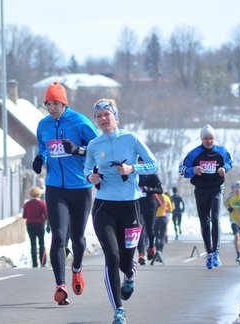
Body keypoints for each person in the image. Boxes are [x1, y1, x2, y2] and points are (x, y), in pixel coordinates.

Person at [84, 98, 159, 324]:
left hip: (130, 206)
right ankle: (118, 309)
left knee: (125, 262)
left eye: (107, 114)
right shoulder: (94, 145)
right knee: (112, 257)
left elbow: (154, 165)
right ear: (96, 121)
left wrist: (131, 168)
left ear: (116, 117)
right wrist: (90, 176)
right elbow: (86, 168)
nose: (103, 119)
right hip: (104, 207)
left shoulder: (131, 139)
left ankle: (130, 272)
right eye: (99, 116)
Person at [32, 82, 99, 305]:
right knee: (58, 237)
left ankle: (77, 269)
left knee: (78, 238)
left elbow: (98, 147)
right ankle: (60, 286)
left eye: (55, 104)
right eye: (48, 104)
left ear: (64, 103)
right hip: (54, 188)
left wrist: (78, 150)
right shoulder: (43, 125)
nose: (51, 108)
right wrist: (40, 158)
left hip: (80, 187)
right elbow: (43, 146)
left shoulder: (80, 122)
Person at [180, 124, 233, 270]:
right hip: (201, 190)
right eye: (206, 139)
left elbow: (230, 162)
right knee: (205, 222)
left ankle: (216, 253)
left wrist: (224, 169)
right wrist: (193, 170)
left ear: (214, 138)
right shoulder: (194, 154)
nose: (209, 141)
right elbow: (182, 169)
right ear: (201, 139)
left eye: (211, 138)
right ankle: (209, 253)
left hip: (216, 188)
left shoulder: (221, 151)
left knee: (215, 218)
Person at [136, 156, 163, 265]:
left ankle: (151, 246)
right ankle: (141, 254)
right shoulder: (134, 175)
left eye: (142, 163)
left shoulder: (152, 175)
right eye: (139, 163)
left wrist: (149, 189)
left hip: (150, 204)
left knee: (150, 229)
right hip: (137, 204)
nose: (141, 165)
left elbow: (160, 190)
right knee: (139, 228)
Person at [22, 186, 48, 268]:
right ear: (39, 194)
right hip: (40, 224)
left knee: (33, 243)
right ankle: (43, 262)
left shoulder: (27, 204)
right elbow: (46, 215)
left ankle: (34, 263)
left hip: (30, 224)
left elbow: (24, 216)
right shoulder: (42, 203)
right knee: (41, 243)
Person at [153, 190, 172, 263]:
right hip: (163, 218)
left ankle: (157, 253)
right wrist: (164, 208)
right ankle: (160, 252)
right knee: (162, 236)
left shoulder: (154, 197)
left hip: (155, 218)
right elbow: (170, 209)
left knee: (157, 237)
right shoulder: (166, 197)